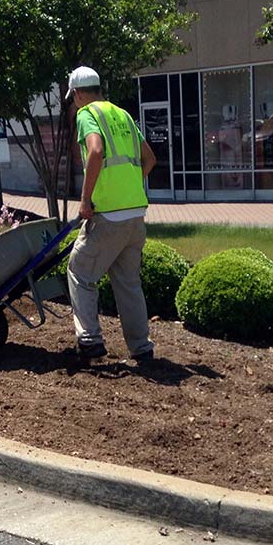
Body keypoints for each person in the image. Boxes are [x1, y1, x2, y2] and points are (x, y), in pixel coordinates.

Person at [64, 65, 158, 362]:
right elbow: (150, 159)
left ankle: (90, 340)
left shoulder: (87, 114)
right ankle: (141, 347)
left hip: (108, 216)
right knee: (128, 282)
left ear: (78, 93)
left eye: (73, 97)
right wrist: (129, 186)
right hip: (135, 216)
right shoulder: (123, 115)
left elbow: (95, 151)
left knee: (80, 273)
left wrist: (85, 200)